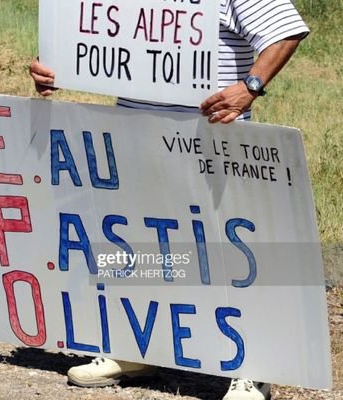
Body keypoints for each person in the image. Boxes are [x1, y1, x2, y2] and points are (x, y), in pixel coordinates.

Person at [30, 1, 309, 398]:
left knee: (227, 250)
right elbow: (89, 36)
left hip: (212, 135)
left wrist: (251, 86)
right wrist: (54, 66)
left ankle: (254, 369)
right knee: (137, 240)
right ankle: (135, 349)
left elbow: (285, 30)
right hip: (133, 132)